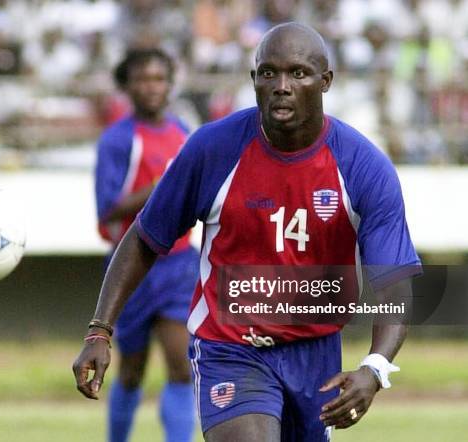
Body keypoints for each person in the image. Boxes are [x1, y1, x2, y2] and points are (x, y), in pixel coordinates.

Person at [73, 23, 422, 442]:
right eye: (269, 73)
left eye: (298, 73)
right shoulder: (211, 149)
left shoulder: (364, 166)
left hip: (316, 354)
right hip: (230, 349)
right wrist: (100, 329)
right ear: (254, 80)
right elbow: (145, 237)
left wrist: (376, 367)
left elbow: (393, 283)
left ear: (326, 81)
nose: (282, 86)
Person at [91, 48, 200, 442]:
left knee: (181, 364)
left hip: (179, 265)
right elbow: (107, 209)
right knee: (132, 369)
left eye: (158, 79)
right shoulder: (117, 140)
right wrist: (158, 190)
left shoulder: (184, 132)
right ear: (127, 86)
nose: (151, 87)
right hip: (133, 265)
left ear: (170, 84)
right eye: (141, 79)